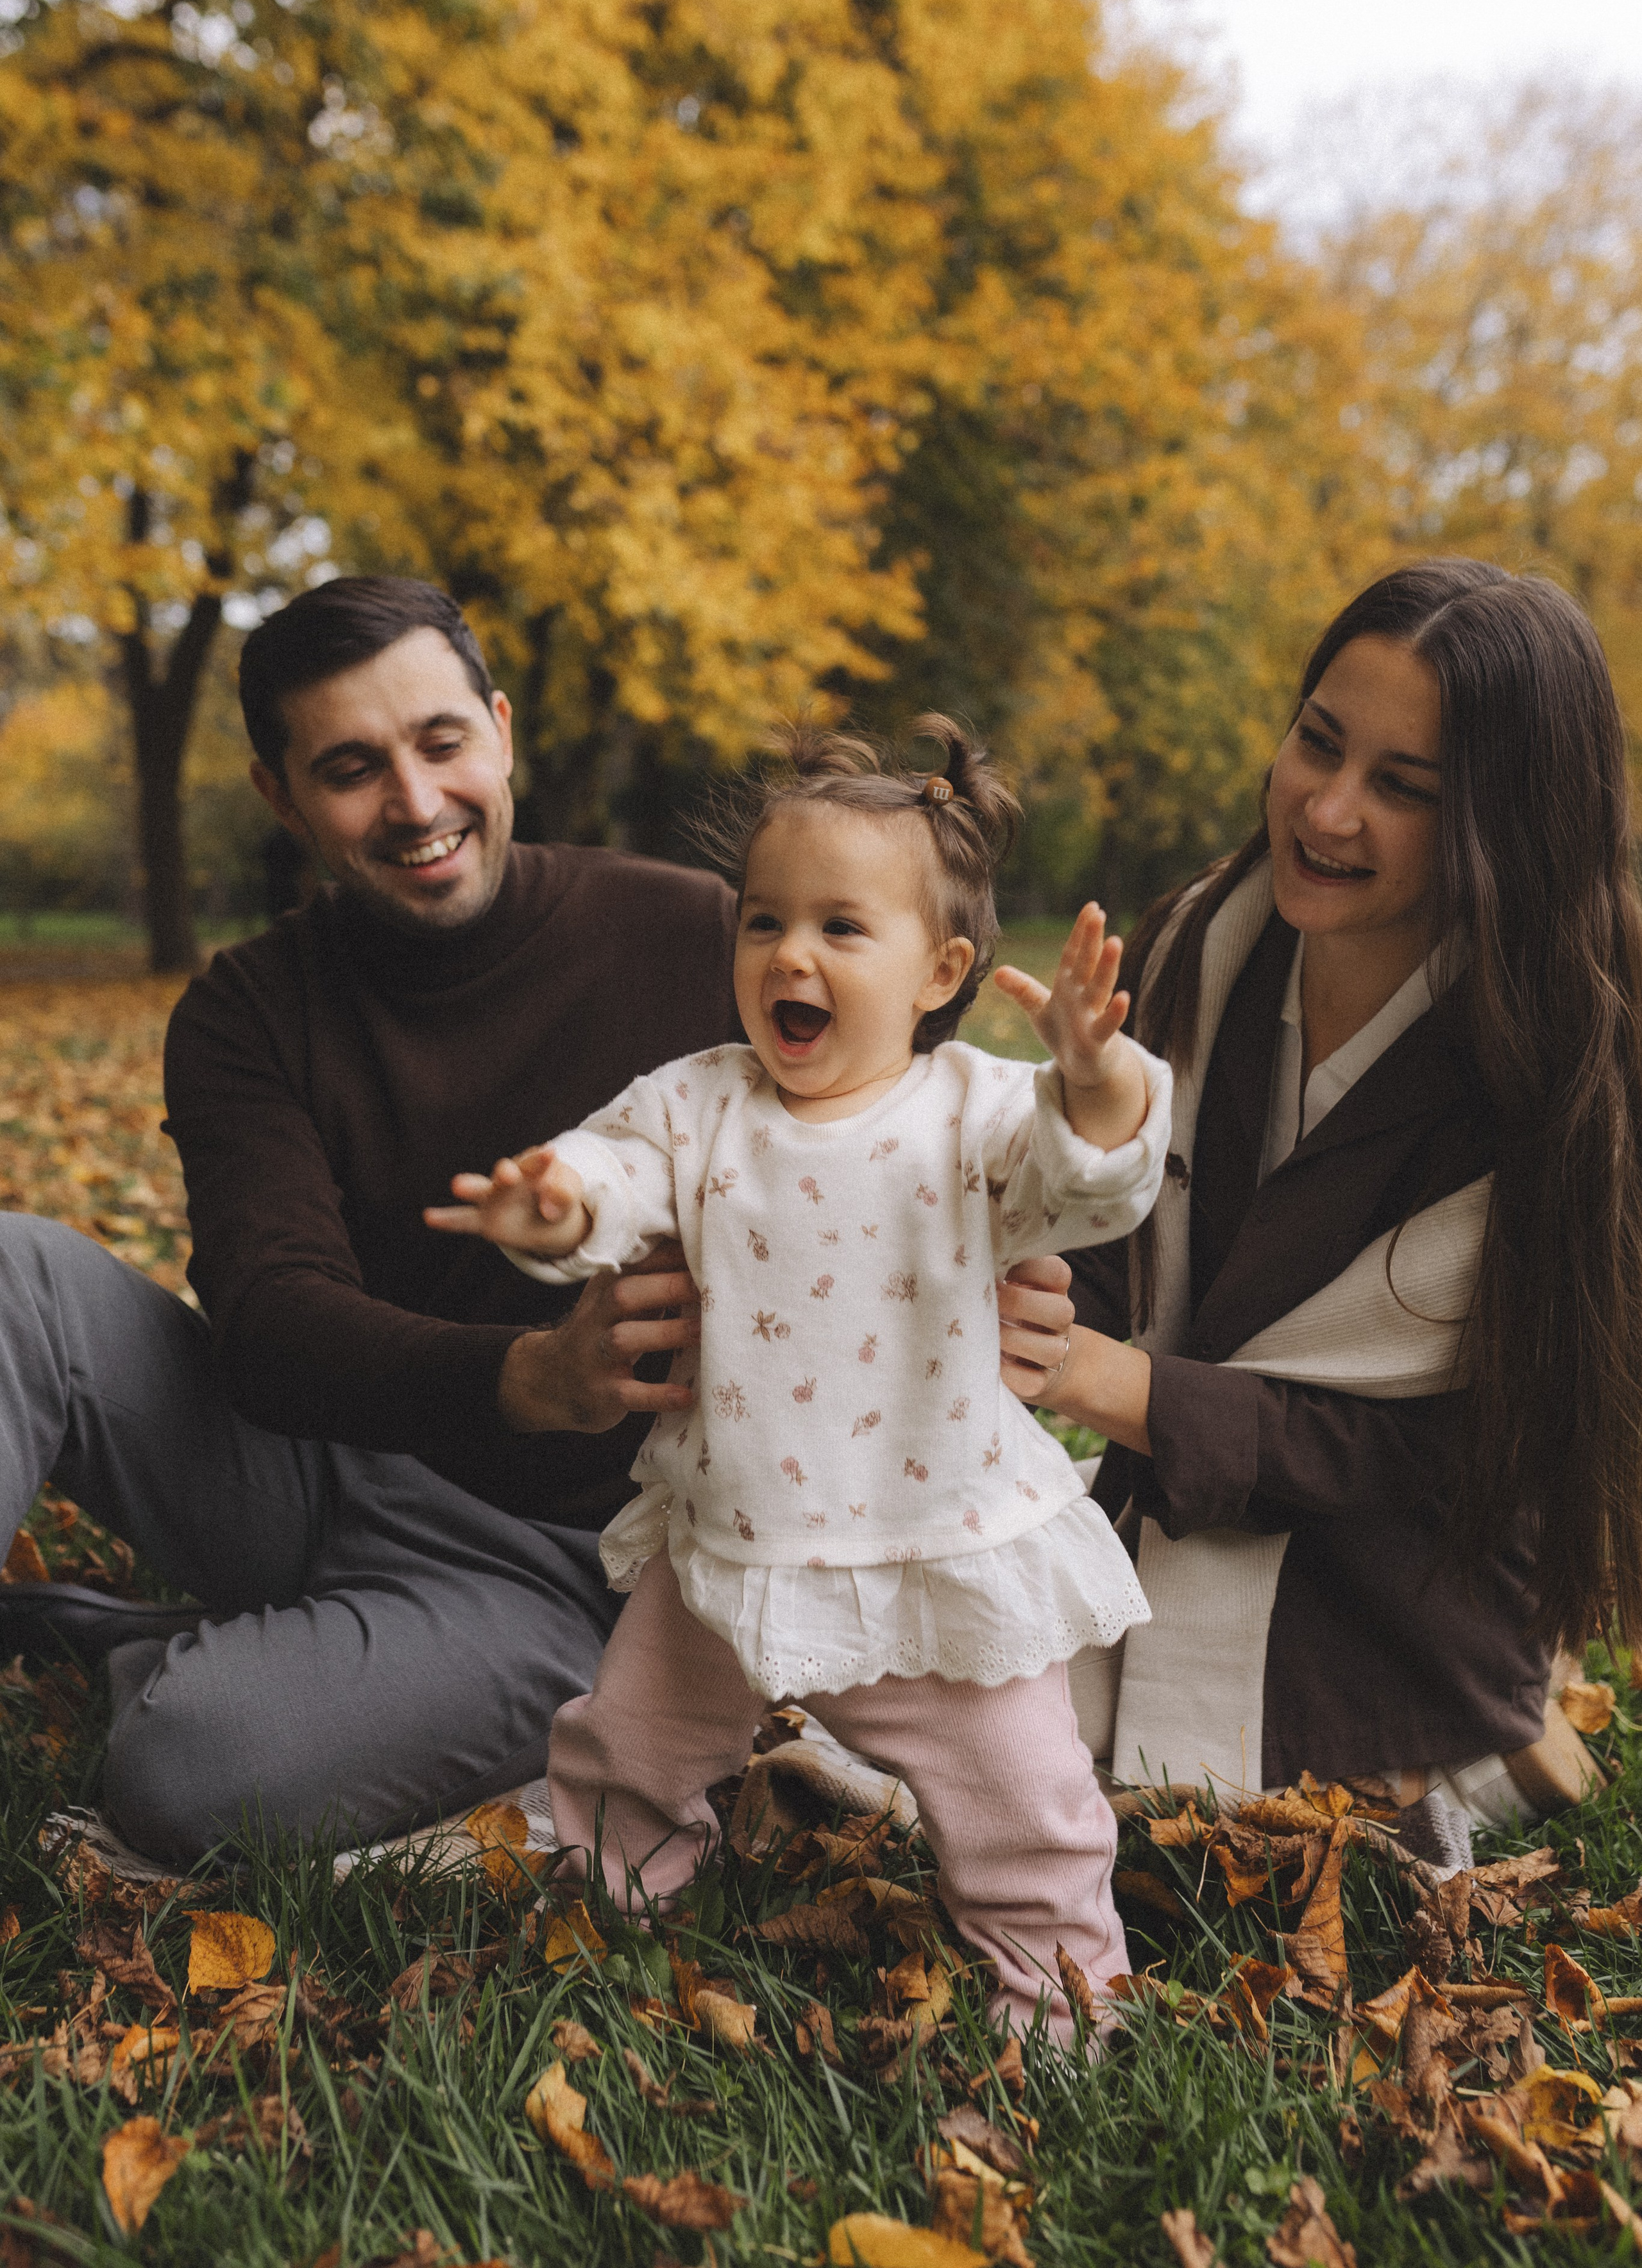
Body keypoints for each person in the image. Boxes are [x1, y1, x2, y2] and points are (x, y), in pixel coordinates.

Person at [432, 721, 1173, 2033]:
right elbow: (615, 1171)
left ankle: (1059, 1992)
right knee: (631, 1746)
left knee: (1021, 1794)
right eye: (763, 921)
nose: (789, 954)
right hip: (730, 1537)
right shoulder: (699, 1102)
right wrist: (559, 1207)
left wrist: (1096, 1075)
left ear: (940, 970)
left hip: (931, 1542)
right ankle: (613, 1909)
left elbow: (1092, 1180)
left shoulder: (975, 1111)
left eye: (841, 927)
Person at [0, 577, 742, 1861]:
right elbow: (267, 1320)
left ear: (498, 732)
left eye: (441, 743)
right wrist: (525, 1375)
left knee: (188, 1769)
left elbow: (916, 1116)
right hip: (312, 1467)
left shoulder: (697, 938)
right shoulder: (247, 1008)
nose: (414, 801)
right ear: (281, 798)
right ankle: (295, 1648)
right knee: (16, 1271)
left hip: (559, 1566)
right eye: (350, 769)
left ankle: (188, 1658)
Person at [994, 560, 1642, 1863]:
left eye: (1403, 787)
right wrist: (1034, 1279)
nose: (1327, 809)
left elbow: (1454, 1456)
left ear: (1504, 827)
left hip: (1400, 1587)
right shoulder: (1200, 943)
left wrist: (1119, 1387)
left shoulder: (1571, 1074)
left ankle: (1454, 1758)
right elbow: (1128, 1248)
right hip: (1164, 1501)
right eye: (1318, 742)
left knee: (1083, 1804)